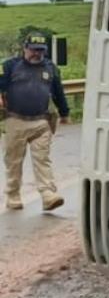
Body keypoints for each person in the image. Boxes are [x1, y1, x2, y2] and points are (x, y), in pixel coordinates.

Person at [1, 32, 70, 211]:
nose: (36, 54)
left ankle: (48, 195)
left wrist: (64, 113)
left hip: (41, 122)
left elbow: (58, 92)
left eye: (40, 50)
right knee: (13, 161)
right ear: (25, 48)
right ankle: (13, 195)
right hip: (15, 120)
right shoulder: (10, 66)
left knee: (42, 159)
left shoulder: (51, 68)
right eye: (33, 50)